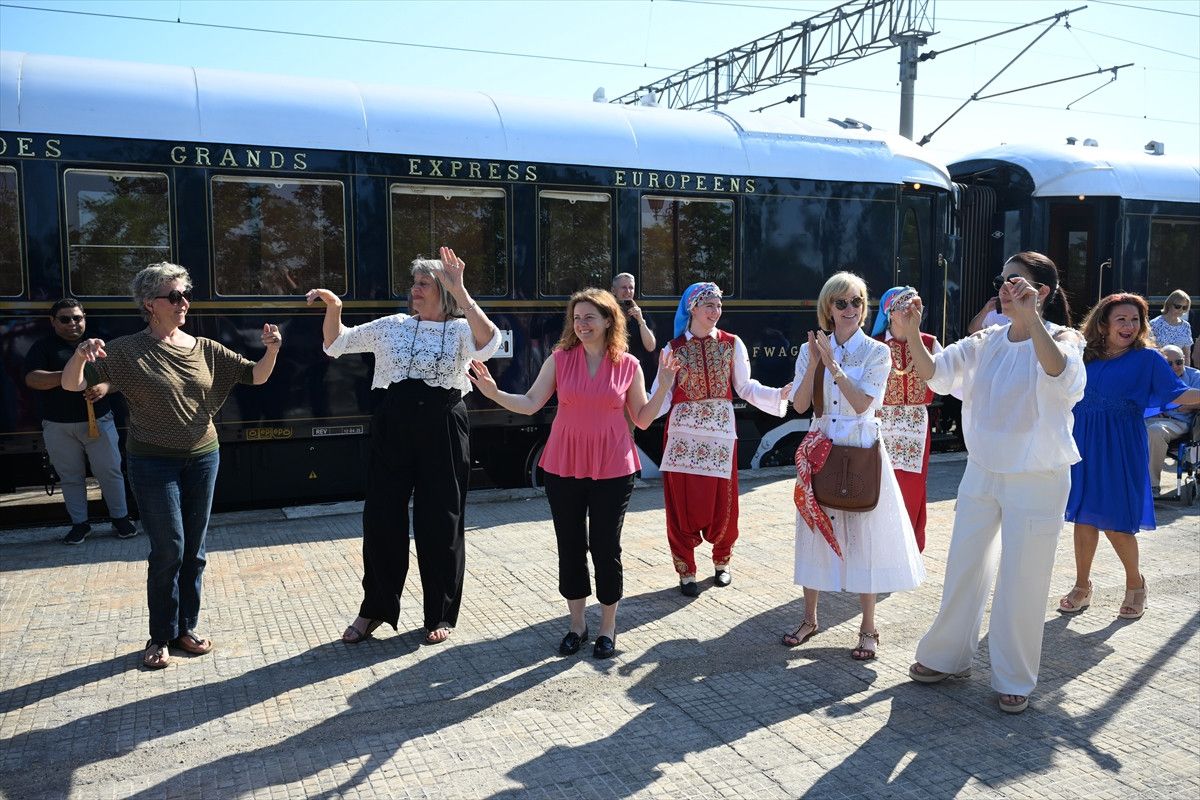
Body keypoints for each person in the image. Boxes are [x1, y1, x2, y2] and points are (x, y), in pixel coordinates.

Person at [62, 263, 281, 669]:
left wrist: (271, 349)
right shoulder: (127, 350)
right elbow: (72, 384)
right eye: (174, 296)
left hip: (203, 457)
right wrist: (79, 355)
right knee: (169, 549)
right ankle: (160, 634)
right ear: (150, 304)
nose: (184, 303)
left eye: (186, 295)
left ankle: (186, 628)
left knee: (194, 550)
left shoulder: (205, 348)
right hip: (152, 461)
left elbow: (255, 377)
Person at [901, 251, 1085, 715]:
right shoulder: (987, 339)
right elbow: (936, 374)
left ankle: (1014, 677)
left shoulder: (1064, 338)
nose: (1005, 288)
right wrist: (911, 332)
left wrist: (1031, 318)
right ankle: (946, 656)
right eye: (1003, 280)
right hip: (983, 469)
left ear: (1042, 292)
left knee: (1023, 577)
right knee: (964, 563)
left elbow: (1060, 374)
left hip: (1038, 475)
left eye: (1017, 282)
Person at [468, 288, 679, 659]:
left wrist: (663, 386)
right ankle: (577, 625)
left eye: (589, 318)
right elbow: (531, 403)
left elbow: (643, 418)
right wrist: (494, 392)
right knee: (570, 545)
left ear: (609, 320)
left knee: (606, 546)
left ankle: (608, 627)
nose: (581, 324)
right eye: (577, 318)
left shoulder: (628, 364)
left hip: (613, 465)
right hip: (564, 463)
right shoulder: (560, 359)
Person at [308, 247, 500, 647]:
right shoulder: (393, 325)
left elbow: (488, 343)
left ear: (443, 291)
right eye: (414, 283)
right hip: (393, 425)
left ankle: (439, 612)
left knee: (441, 520)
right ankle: (374, 609)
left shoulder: (461, 329)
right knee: (381, 518)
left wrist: (461, 291)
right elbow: (336, 343)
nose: (415, 289)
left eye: (424, 284)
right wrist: (335, 307)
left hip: (443, 426)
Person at [784, 273, 925, 661]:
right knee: (814, 530)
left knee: (865, 537)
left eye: (857, 302)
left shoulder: (878, 352)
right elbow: (799, 405)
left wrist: (835, 368)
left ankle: (868, 627)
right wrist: (815, 363)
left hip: (860, 446)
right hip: (821, 445)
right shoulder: (811, 349)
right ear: (828, 308)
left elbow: (864, 405)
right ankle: (809, 618)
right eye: (842, 302)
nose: (850, 309)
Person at [1058, 294, 1198, 621]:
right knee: (1084, 516)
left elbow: (1177, 394)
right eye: (1121, 319)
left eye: (1135, 320)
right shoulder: (1083, 354)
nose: (1129, 326)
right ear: (1103, 323)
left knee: (1116, 521)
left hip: (1120, 446)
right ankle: (1082, 586)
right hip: (1083, 443)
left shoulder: (1148, 359)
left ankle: (1136, 584)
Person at [651, 282, 791, 596]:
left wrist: (777, 394)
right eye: (709, 305)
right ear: (692, 309)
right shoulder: (672, 349)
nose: (716, 311)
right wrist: (638, 410)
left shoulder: (732, 343)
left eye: (718, 305)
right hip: (683, 438)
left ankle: (722, 563)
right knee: (681, 504)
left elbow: (745, 387)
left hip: (720, 436)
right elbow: (661, 396)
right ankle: (686, 571)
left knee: (724, 504)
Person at [23, 298, 136, 544]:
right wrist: (72, 375)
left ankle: (121, 519)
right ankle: (80, 525)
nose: (72, 323)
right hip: (58, 425)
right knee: (70, 477)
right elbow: (32, 379)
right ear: (53, 321)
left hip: (100, 420)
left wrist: (105, 387)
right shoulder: (43, 347)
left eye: (77, 318)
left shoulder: (100, 344)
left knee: (110, 472)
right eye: (65, 319)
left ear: (84, 319)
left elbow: (121, 376)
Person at [871, 286, 943, 552]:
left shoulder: (929, 343)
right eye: (903, 305)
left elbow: (947, 378)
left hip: (915, 423)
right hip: (882, 423)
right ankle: (881, 548)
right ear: (890, 312)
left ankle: (907, 549)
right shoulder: (874, 345)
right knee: (881, 485)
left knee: (912, 485)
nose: (911, 310)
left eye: (915, 305)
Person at [1145, 346, 1200, 495]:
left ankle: (1152, 486)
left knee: (1155, 431)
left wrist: (1189, 405)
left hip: (1179, 422)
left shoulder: (1195, 377)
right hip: (1153, 418)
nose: (1175, 366)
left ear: (1184, 360)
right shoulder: (1153, 376)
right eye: (1169, 363)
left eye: (1179, 362)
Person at [612, 273, 656, 362]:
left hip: (635, 365)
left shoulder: (642, 314)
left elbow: (651, 347)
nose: (628, 291)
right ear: (613, 290)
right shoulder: (606, 313)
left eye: (631, 288)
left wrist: (640, 320)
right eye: (624, 287)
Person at [1149, 290, 1192, 365]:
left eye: (1184, 307)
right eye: (1177, 306)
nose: (1181, 310)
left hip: (1178, 368)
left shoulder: (1186, 326)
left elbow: (1187, 355)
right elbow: (1149, 350)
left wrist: (1186, 370)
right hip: (1159, 365)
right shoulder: (1155, 324)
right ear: (1169, 304)